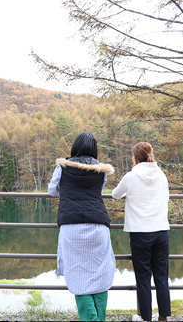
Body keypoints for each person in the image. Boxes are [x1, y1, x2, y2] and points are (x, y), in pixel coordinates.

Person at [48, 132, 116, 321]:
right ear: (94, 150)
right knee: (100, 274)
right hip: (98, 225)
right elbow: (99, 191)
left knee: (79, 277)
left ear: (75, 147)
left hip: (72, 226)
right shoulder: (101, 170)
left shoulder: (62, 168)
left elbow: (52, 190)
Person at [111, 142, 171, 322]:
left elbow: (115, 194)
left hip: (140, 232)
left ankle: (146, 318)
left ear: (135, 158)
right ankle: (163, 318)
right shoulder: (161, 175)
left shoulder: (131, 176)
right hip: (161, 230)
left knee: (143, 278)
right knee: (161, 277)